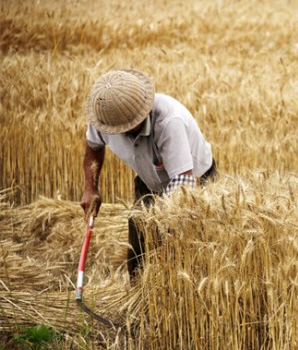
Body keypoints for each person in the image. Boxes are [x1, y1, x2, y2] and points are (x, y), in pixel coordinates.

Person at [80, 69, 216, 280]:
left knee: (188, 244)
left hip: (194, 180)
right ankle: (139, 293)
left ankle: (187, 296)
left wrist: (165, 226)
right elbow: (93, 147)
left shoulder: (169, 121)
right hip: (149, 177)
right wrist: (91, 188)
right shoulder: (105, 116)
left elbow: (183, 183)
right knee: (138, 233)